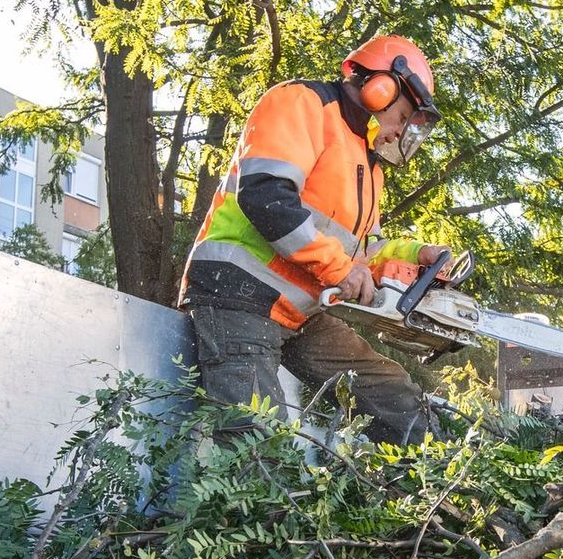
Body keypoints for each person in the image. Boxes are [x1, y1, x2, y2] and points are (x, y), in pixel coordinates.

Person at [178, 35, 447, 445]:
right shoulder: (303, 103)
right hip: (237, 293)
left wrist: (415, 257)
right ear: (382, 88)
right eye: (403, 116)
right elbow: (267, 196)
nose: (399, 131)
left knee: (395, 397)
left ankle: (425, 493)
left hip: (300, 311)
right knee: (256, 447)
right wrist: (340, 271)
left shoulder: (367, 165)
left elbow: (362, 253)